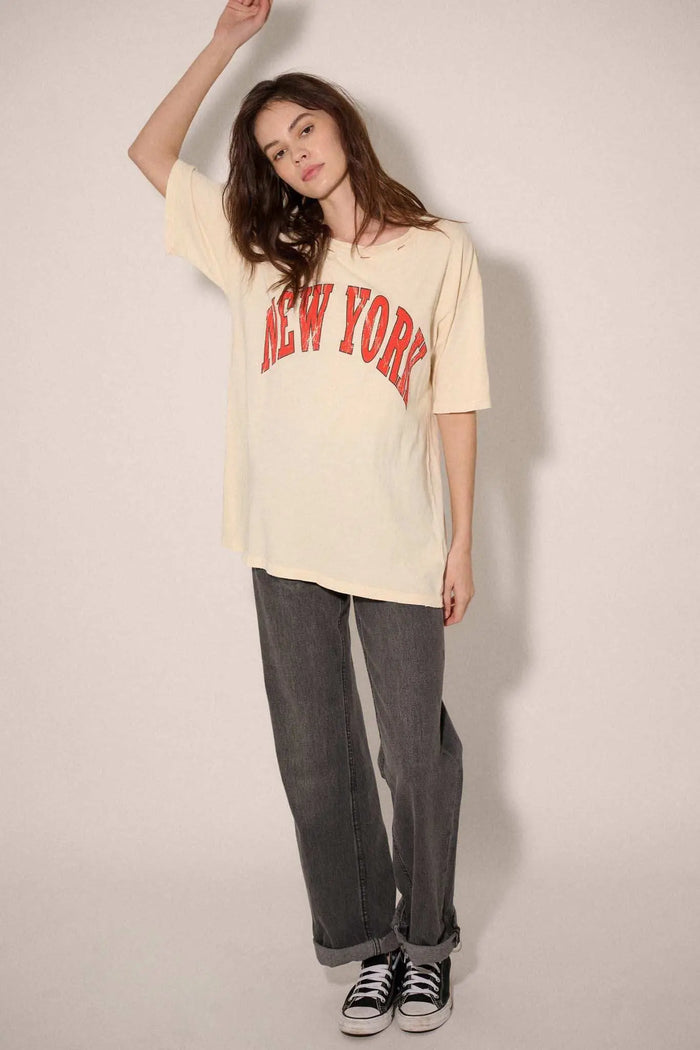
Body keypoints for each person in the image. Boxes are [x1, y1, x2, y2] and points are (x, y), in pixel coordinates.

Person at [128, 0, 491, 1037]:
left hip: (398, 541)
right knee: (316, 763)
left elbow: (456, 401)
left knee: (414, 756)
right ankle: (365, 950)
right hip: (286, 543)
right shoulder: (258, 253)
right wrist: (224, 45)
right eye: (277, 151)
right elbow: (150, 153)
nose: (296, 155)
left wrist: (463, 541)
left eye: (304, 130)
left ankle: (426, 947)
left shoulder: (439, 250)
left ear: (340, 125)